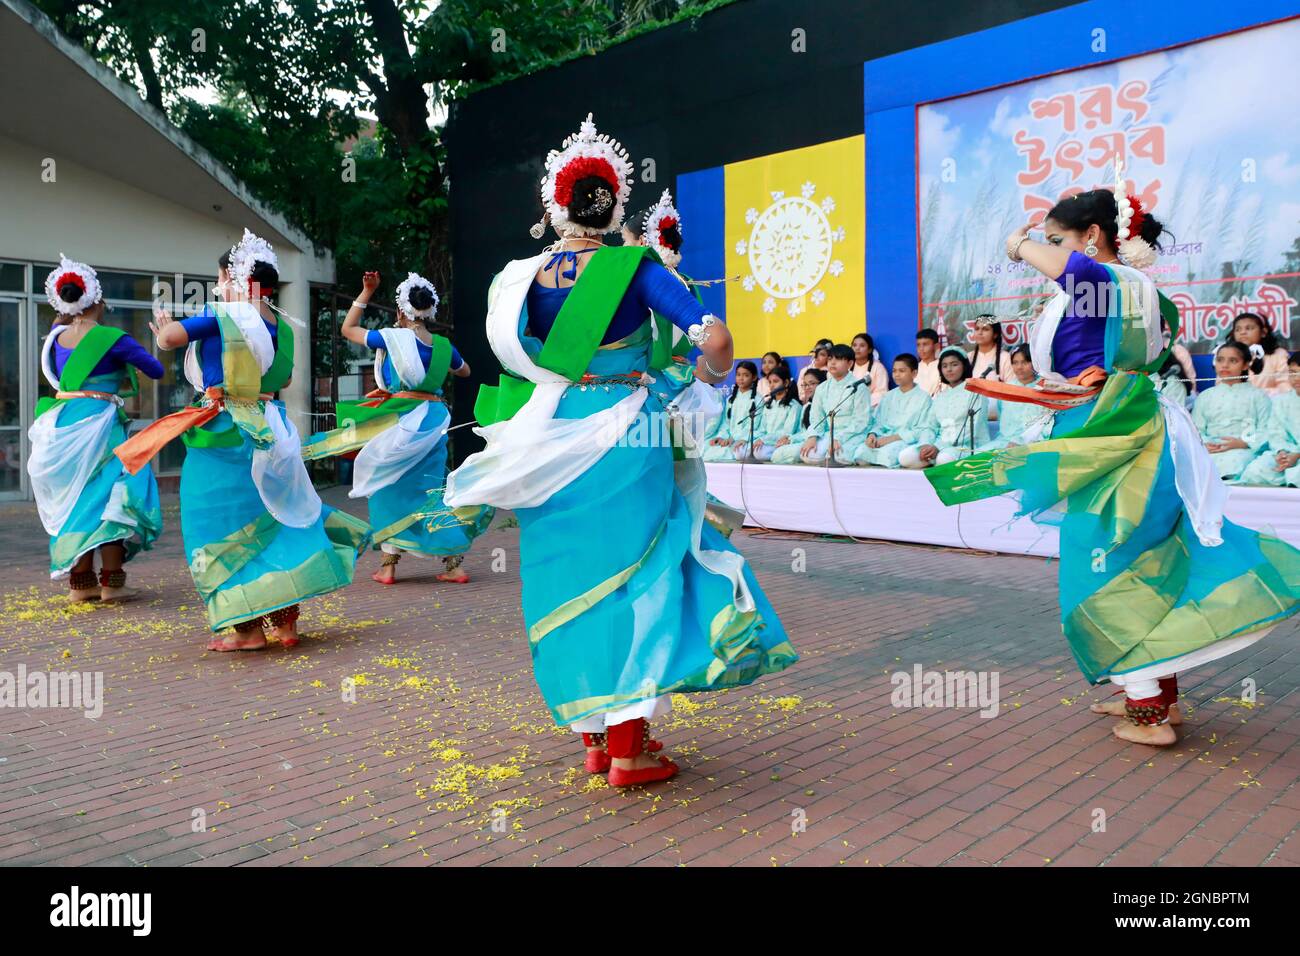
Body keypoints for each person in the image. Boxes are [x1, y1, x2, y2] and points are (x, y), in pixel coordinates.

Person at [444, 114, 795, 787]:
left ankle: (598, 744)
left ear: (554, 205)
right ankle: (632, 750)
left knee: (569, 579)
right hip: (628, 433)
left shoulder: (519, 279)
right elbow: (714, 343)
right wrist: (707, 379)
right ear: (614, 207)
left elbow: (520, 364)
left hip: (550, 438)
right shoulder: (634, 269)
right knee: (641, 576)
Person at [926, 178, 1300, 746]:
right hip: (1122, 426)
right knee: (1145, 556)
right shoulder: (1135, 288)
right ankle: (1155, 698)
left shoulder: (1106, 282)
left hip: (1111, 432)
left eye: (1057, 238)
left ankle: (1148, 714)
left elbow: (1078, 276)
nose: (1047, 248)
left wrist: (1020, 244)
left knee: (1104, 562)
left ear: (1092, 236)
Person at [117, 230, 370, 652]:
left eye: (220, 277)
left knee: (219, 524)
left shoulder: (224, 315)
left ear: (234, 277)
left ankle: (248, 630)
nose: (217, 285)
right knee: (276, 517)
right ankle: (286, 624)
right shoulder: (281, 327)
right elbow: (284, 378)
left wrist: (162, 330)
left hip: (226, 429)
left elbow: (171, 339)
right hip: (271, 428)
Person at [301, 271, 490, 585]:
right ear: (429, 310)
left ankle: (388, 567)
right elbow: (465, 371)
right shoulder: (443, 346)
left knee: (387, 485)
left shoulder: (392, 337)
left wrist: (366, 292)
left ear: (401, 311)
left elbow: (348, 329)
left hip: (400, 420)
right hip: (433, 419)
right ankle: (453, 564)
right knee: (432, 490)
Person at [29, 256, 163, 602]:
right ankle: (112, 584)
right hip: (102, 427)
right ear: (98, 302)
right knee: (115, 496)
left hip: (64, 424)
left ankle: (81, 585)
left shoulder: (54, 340)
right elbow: (155, 370)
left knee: (77, 500)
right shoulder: (111, 337)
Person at [1192, 342, 1273, 482]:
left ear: (1246, 365)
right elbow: (1195, 429)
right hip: (1210, 450)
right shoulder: (1205, 396)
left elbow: (1267, 429)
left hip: (1245, 451)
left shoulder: (1258, 396)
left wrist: (1243, 443)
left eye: (1233, 361)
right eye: (1220, 360)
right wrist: (1205, 443)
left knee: (1237, 463)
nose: (1225, 365)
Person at [899, 346, 989, 468]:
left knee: (944, 458)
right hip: (937, 445)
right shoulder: (940, 397)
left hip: (966, 446)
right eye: (944, 366)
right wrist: (926, 444)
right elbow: (929, 426)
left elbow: (970, 430)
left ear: (964, 366)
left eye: (954, 364)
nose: (949, 370)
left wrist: (939, 447)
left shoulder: (976, 393)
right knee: (905, 457)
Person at [854, 354, 935, 467]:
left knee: (886, 455)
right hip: (882, 438)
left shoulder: (924, 398)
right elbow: (877, 421)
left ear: (914, 373)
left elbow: (924, 428)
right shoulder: (888, 396)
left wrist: (893, 438)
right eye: (894, 371)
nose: (896, 375)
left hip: (905, 441)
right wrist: (872, 435)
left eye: (901, 371)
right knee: (860, 453)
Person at [797, 344, 873, 464]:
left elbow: (861, 422)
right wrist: (813, 437)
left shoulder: (859, 387)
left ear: (849, 364)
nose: (832, 363)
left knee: (836, 457)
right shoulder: (822, 388)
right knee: (808, 455)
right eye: (830, 359)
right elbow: (817, 418)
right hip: (829, 435)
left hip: (853, 434)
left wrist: (839, 438)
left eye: (838, 359)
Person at [1239, 351, 1300, 487]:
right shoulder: (1281, 401)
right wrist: (1282, 453)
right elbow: (1276, 432)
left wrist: (1296, 455)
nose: (1297, 378)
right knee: (1255, 471)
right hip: (1287, 453)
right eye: (1293, 373)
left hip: (1296, 456)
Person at [980, 344, 1053, 450]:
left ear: (1035, 363)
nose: (1019, 367)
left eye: (1025, 362)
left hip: (1036, 441)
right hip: (1004, 441)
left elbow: (1048, 422)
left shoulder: (1045, 388)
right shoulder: (1006, 389)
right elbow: (1002, 419)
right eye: (1015, 363)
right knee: (980, 455)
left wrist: (1022, 441)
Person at [701, 360, 761, 461]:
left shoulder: (758, 400)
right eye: (738, 375)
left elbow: (754, 426)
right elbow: (725, 423)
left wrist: (735, 439)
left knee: (733, 452)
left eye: (746, 375)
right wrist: (721, 437)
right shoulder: (731, 399)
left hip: (745, 439)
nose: (741, 378)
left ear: (754, 377)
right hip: (728, 440)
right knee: (706, 450)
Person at [742, 366, 801, 461]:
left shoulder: (794, 405)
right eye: (770, 382)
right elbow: (762, 429)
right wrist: (746, 439)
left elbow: (787, 432)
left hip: (780, 443)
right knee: (741, 450)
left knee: (759, 453)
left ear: (786, 383)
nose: (772, 385)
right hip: (764, 442)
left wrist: (765, 439)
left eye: (775, 381)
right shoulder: (768, 405)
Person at [1227, 312, 1291, 397]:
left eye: (1249, 328)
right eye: (1238, 329)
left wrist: (1258, 396)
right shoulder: (1228, 356)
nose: (1242, 332)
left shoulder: (1279, 354)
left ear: (1263, 332)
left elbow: (1286, 386)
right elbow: (1222, 386)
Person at [770, 368, 826, 464]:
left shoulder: (826, 404)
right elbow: (803, 432)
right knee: (777, 454)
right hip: (806, 440)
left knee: (809, 454)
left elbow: (823, 429)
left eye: (812, 384)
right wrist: (790, 439)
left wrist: (811, 438)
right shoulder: (806, 407)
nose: (807, 387)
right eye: (805, 385)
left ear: (822, 384)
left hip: (821, 439)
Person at [968, 314, 1014, 383]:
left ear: (995, 334)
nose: (980, 332)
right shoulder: (968, 357)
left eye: (985, 329)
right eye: (977, 329)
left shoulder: (1005, 358)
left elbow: (1012, 387)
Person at [850, 332, 889, 408]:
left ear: (870, 350)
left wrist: (861, 403)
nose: (857, 348)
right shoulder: (847, 366)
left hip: (870, 408)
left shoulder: (878, 367)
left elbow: (882, 392)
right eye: (854, 345)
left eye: (862, 345)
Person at [915, 328, 942, 396]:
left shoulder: (943, 367)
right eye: (918, 345)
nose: (921, 349)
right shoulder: (913, 368)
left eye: (925, 344)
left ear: (936, 346)